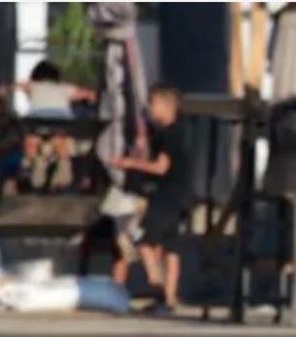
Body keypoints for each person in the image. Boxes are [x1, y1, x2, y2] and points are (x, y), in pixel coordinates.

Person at [110, 84, 191, 314]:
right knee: (171, 248)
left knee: (145, 240)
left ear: (167, 107)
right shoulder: (184, 130)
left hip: (166, 194)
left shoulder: (169, 134)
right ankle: (170, 299)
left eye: (153, 104)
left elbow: (160, 167)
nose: (150, 109)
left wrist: (130, 163)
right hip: (183, 194)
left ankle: (156, 284)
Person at [12, 60, 97, 191]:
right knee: (62, 145)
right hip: (62, 123)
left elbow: (18, 86)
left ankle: (33, 164)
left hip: (38, 122)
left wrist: (5, 89)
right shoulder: (64, 88)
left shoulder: (33, 85)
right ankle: (63, 165)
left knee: (32, 142)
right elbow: (89, 94)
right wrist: (91, 98)